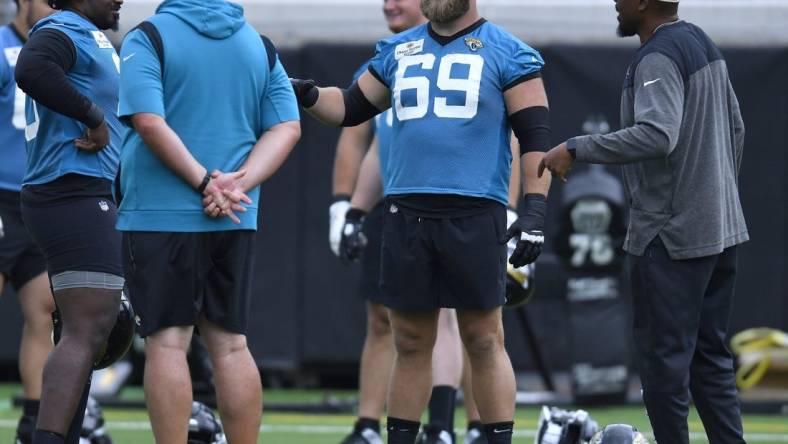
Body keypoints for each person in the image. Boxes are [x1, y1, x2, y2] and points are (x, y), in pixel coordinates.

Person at [292, 0, 553, 442]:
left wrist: (533, 212)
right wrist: (310, 94)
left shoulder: (509, 52)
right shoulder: (398, 50)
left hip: (475, 212)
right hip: (406, 214)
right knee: (409, 342)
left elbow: (535, 137)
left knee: (484, 338)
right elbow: (351, 107)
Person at [540, 0, 748, 443]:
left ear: (642, 3)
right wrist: (716, 198)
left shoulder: (658, 54)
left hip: (671, 238)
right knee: (710, 359)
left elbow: (658, 133)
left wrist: (577, 147)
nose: (614, 3)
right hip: (720, 231)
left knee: (663, 368)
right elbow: (737, 128)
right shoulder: (702, 42)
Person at [116, 0, 300, 442]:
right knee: (232, 345)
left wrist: (205, 185)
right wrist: (237, 186)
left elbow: (148, 120)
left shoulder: (150, 35)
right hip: (234, 217)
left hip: (160, 215)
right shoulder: (257, 43)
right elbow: (287, 127)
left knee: (167, 343)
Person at [330, 1, 490, 443]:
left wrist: (520, 210)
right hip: (403, 205)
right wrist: (348, 208)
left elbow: (514, 135)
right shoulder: (390, 57)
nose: (389, 4)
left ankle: (454, 426)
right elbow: (377, 144)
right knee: (399, 325)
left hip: (464, 205)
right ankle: (381, 426)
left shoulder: (484, 50)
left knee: (466, 326)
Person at [14, 0, 124, 443]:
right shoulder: (64, 26)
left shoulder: (89, 33)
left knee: (91, 329)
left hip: (81, 190)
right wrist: (92, 116)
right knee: (88, 326)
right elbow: (32, 67)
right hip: (72, 188)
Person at [0, 2, 55, 443]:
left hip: (39, 198)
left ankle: (32, 425)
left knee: (45, 311)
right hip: (0, 197)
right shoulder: (1, 46)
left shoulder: (63, 45)